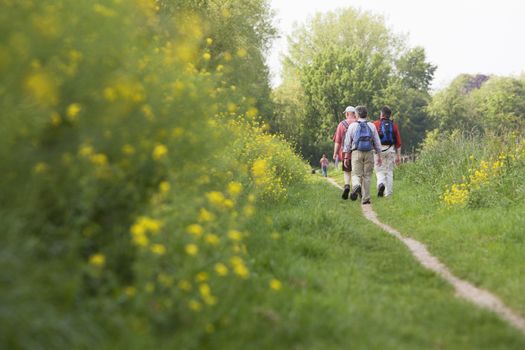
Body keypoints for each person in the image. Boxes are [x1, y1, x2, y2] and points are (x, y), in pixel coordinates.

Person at [342, 105, 382, 205]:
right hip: (369, 152)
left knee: (356, 174)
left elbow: (347, 143)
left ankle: (356, 185)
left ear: (357, 114)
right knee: (367, 176)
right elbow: (377, 142)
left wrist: (346, 156)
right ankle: (366, 198)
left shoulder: (352, 126)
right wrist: (379, 156)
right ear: (366, 114)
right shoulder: (372, 126)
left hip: (356, 152)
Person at [373, 106, 402, 197]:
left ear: (381, 114)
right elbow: (398, 143)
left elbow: (372, 140)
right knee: (389, 171)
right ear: (390, 115)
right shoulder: (394, 125)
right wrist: (398, 156)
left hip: (379, 150)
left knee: (379, 169)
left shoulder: (376, 124)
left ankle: (381, 183)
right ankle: (388, 194)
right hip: (390, 150)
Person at [333, 105, 357, 199]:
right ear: (355, 114)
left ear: (347, 113)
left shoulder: (342, 124)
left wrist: (335, 153)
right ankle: (356, 189)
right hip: (356, 152)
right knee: (356, 172)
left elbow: (337, 141)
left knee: (347, 172)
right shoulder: (358, 123)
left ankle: (347, 185)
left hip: (344, 153)